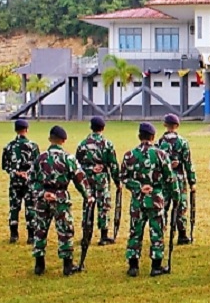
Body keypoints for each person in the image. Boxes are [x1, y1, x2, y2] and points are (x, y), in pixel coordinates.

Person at [31, 126, 93, 276]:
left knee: (40, 230)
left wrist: (42, 193)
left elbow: (31, 179)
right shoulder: (68, 158)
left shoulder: (40, 158)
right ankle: (67, 265)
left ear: (49, 139)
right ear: (63, 140)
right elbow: (80, 179)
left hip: (43, 199)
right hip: (61, 199)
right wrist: (88, 196)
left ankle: (39, 265)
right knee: (65, 231)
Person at [121, 123, 175, 277]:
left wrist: (137, 187)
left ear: (139, 136)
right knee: (157, 232)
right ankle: (156, 266)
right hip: (156, 199)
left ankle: (133, 266)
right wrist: (176, 196)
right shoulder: (161, 155)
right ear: (153, 137)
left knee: (135, 232)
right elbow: (170, 178)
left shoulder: (129, 155)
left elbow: (123, 177)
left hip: (137, 201)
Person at [75, 117, 121, 246]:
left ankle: (86, 235)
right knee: (104, 206)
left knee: (88, 205)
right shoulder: (107, 144)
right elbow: (113, 165)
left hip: (88, 180)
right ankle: (104, 236)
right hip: (102, 180)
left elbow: (76, 164)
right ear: (103, 128)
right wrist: (118, 181)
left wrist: (89, 168)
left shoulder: (83, 144)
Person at [157, 113, 197, 245]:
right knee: (181, 206)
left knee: (163, 206)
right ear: (177, 126)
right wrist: (192, 182)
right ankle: (182, 234)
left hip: (164, 180)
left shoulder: (160, 142)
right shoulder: (183, 142)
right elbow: (188, 163)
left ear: (165, 125)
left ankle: (160, 233)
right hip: (179, 180)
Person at [1, 119, 40, 244]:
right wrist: (27, 173)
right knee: (31, 207)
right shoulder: (33, 146)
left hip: (15, 182)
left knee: (14, 207)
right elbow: (37, 165)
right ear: (27, 130)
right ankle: (31, 235)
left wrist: (15, 172)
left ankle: (14, 234)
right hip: (29, 182)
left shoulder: (8, 147)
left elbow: (5, 166)